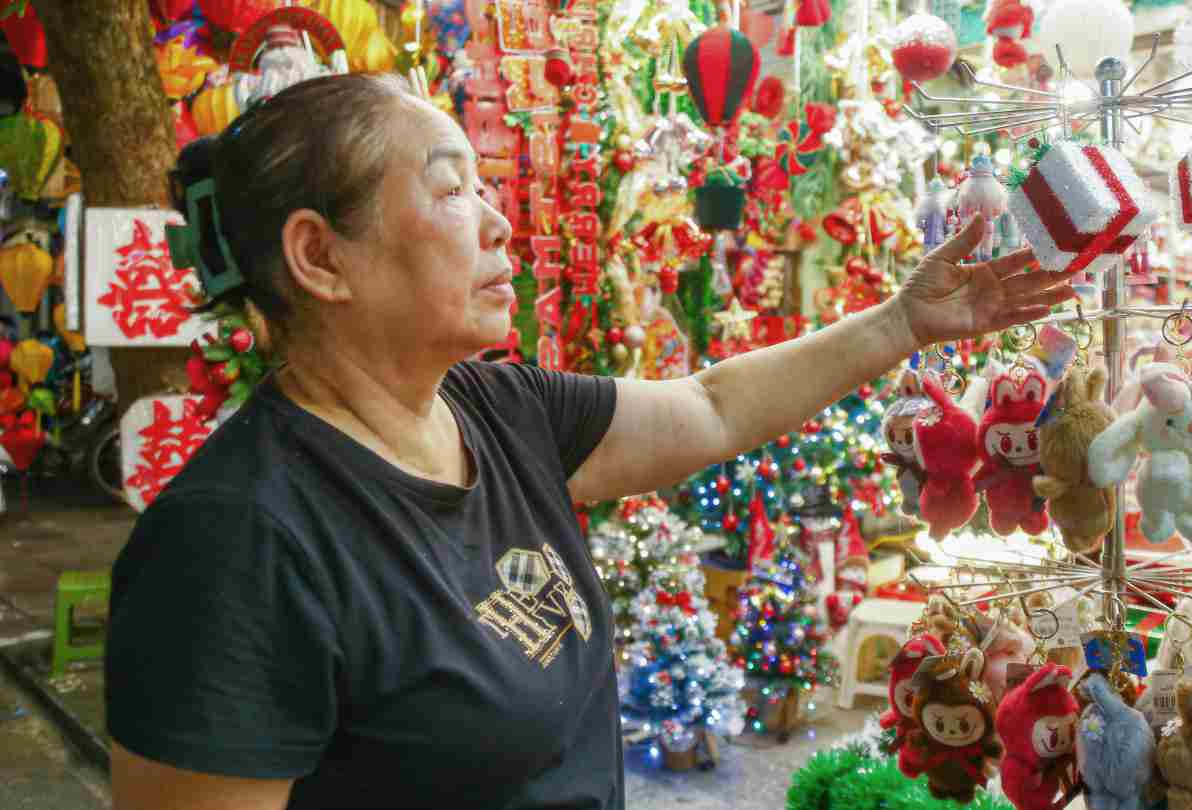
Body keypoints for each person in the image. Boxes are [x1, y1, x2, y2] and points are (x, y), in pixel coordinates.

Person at [105, 73, 1075, 810]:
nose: (496, 224)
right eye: (449, 193)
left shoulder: (498, 409)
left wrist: (902, 323)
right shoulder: (236, 545)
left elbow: (711, 409)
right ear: (319, 256)